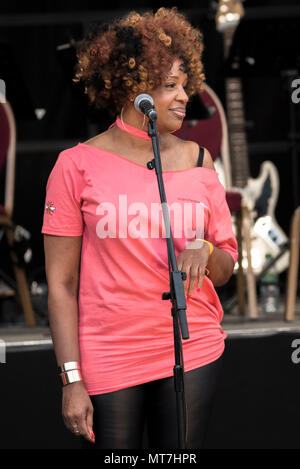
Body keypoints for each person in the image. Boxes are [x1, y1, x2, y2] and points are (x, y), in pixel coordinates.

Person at [42, 7, 238, 449]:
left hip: (193, 347)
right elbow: (61, 283)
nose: (185, 95)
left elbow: (228, 264)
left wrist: (205, 251)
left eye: (185, 84)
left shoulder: (200, 160)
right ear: (131, 87)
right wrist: (71, 378)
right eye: (170, 86)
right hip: (108, 353)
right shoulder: (76, 165)